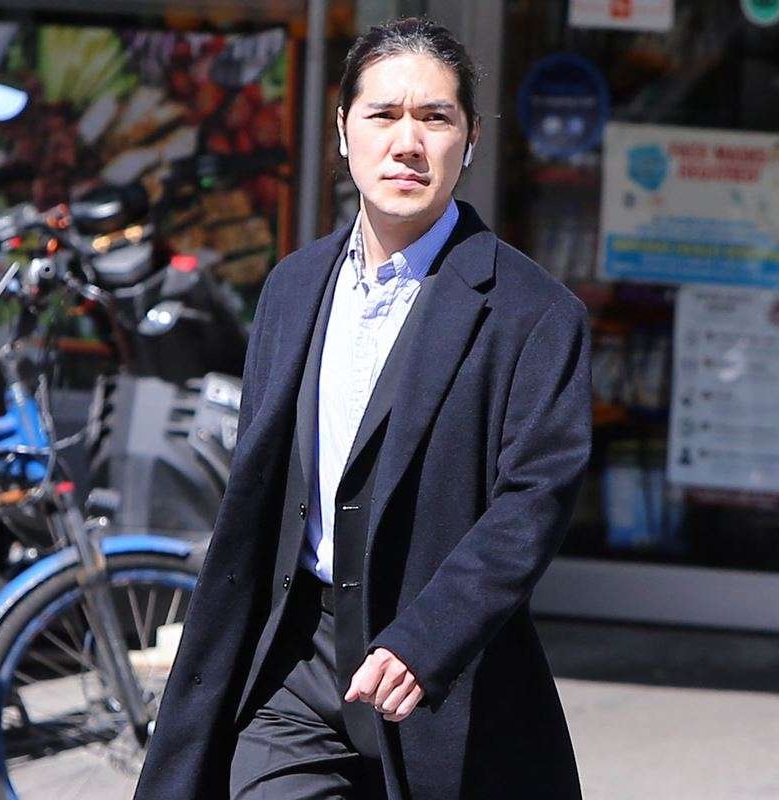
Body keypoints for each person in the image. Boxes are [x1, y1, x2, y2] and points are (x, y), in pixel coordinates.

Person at [134, 16, 592, 800]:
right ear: (344, 131)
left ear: (470, 140)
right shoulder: (292, 287)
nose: (407, 143)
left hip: (447, 679)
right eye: (383, 114)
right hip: (295, 666)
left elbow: (533, 503)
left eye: (435, 118)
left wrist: (429, 637)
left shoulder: (533, 313)